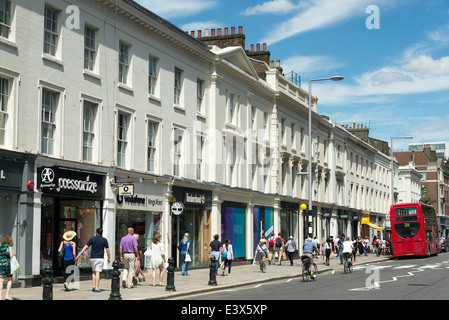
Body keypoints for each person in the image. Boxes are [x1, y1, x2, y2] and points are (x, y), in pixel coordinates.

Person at [75, 228, 110, 293]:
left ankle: (94, 286)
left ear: (96, 232)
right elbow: (107, 249)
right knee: (98, 272)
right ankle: (97, 287)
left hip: (93, 258)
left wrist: (78, 255)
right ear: (101, 232)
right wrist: (109, 258)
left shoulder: (92, 239)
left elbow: (85, 247)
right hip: (100, 258)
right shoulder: (104, 240)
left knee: (93, 272)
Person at [0, 233, 14, 300]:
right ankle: (7, 295)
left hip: (0, 263)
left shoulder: (0, 245)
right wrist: (12, 254)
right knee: (9, 279)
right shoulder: (9, 245)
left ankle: (0, 296)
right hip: (7, 264)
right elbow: (11, 255)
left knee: (1, 280)